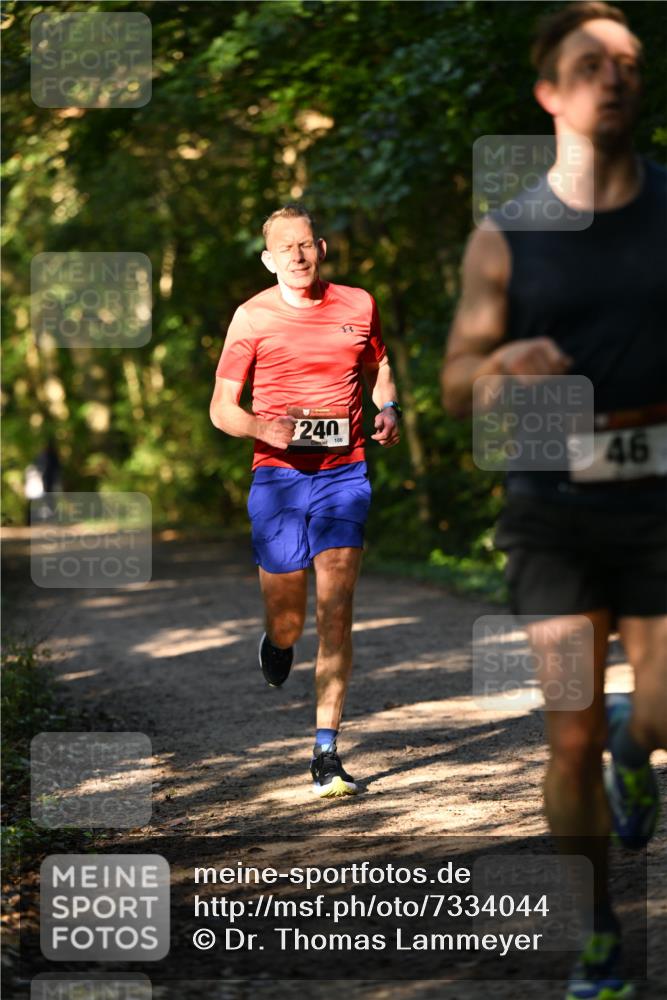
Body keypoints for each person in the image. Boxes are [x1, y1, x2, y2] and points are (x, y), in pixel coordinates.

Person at [442, 4, 666, 999]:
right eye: (590, 63)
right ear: (550, 93)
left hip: (660, 495)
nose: (613, 76)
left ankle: (638, 746)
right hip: (550, 505)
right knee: (564, 732)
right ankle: (600, 932)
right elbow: (454, 385)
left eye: (627, 60)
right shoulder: (505, 237)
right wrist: (503, 361)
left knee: (655, 713)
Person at [210, 204, 401, 797]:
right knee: (291, 619)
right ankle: (277, 639)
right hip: (278, 478)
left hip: (344, 474)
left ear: (320, 248)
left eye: (305, 245)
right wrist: (262, 428)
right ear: (268, 260)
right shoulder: (251, 318)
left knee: (336, 611)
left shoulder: (357, 304)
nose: (296, 256)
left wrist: (387, 406)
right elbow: (222, 409)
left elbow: (380, 363)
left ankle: (326, 753)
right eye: (283, 248)